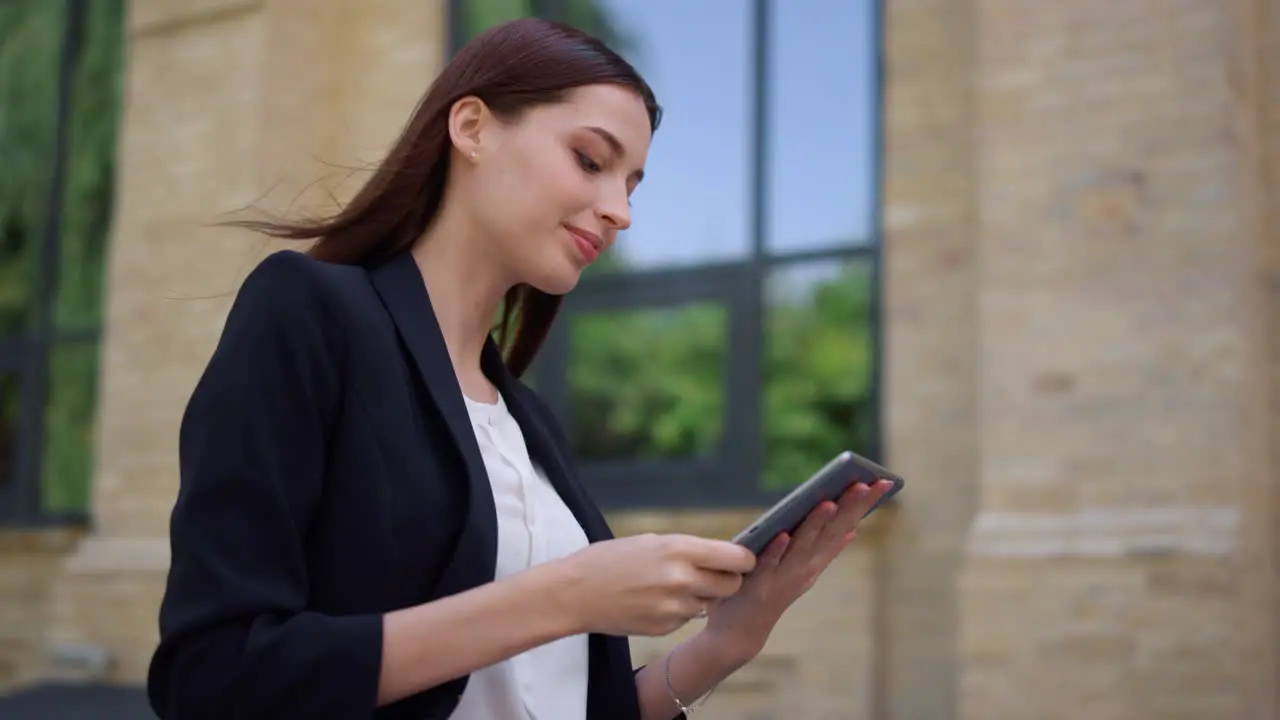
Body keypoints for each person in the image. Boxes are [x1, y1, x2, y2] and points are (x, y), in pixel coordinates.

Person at [146, 17, 893, 720]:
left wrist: (727, 643)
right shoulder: (310, 312)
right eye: (591, 161)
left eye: (632, 186)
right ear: (471, 127)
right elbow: (214, 676)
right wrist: (567, 596)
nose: (620, 211)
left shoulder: (525, 421)